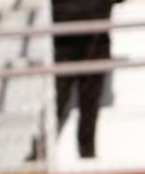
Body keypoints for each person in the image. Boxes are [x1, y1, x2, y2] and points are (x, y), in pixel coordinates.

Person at [52, 0, 124, 158]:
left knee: (66, 103)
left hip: (80, 40)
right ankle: (86, 155)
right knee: (67, 103)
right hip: (79, 41)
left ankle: (86, 156)